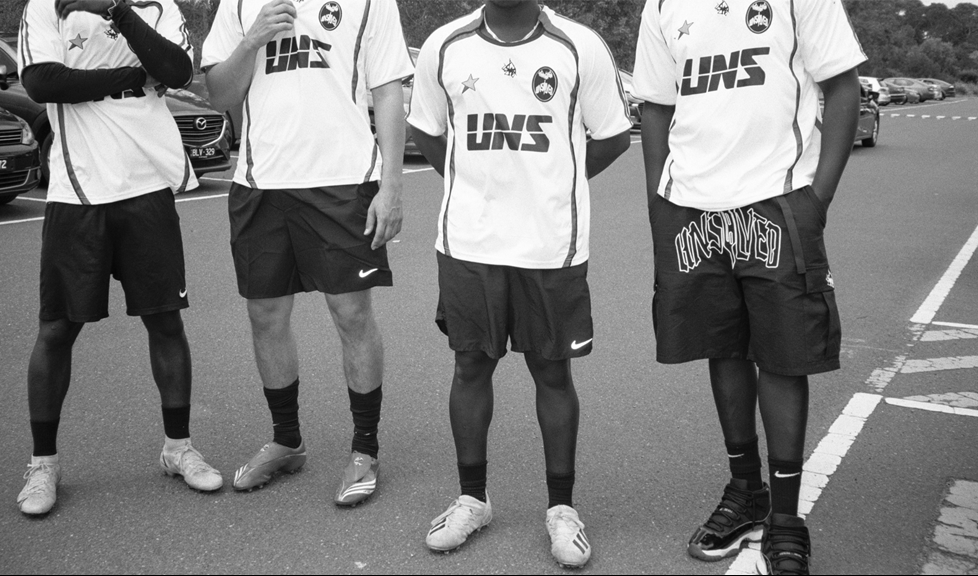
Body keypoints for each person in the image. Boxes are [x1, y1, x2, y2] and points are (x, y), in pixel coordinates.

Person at [632, 1, 866, 573]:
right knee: (724, 348)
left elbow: (842, 88)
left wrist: (818, 200)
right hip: (691, 204)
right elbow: (657, 108)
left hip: (778, 197)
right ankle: (747, 491)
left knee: (784, 357)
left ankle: (786, 519)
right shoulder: (662, 5)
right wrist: (660, 203)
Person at [407, 0, 631, 567]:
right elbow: (430, 133)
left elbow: (611, 137)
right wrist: (481, 188)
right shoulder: (445, 45)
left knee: (552, 371)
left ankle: (562, 510)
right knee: (470, 365)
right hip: (470, 244)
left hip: (550, 244)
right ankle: (472, 498)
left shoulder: (579, 46)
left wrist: (550, 185)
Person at [200, 0, 413, 505]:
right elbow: (219, 93)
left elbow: (386, 91)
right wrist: (251, 41)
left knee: (351, 313)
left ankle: (364, 449)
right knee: (265, 315)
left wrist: (393, 184)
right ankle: (286, 439)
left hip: (342, 181)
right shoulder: (238, 3)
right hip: (262, 183)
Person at [16, 0, 223, 515]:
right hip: (78, 192)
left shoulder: (157, 7)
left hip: (146, 185)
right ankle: (43, 464)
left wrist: (115, 10)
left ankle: (178, 448)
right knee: (57, 330)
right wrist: (132, 75)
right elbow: (42, 82)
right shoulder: (47, 6)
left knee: (165, 322)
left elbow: (175, 70)